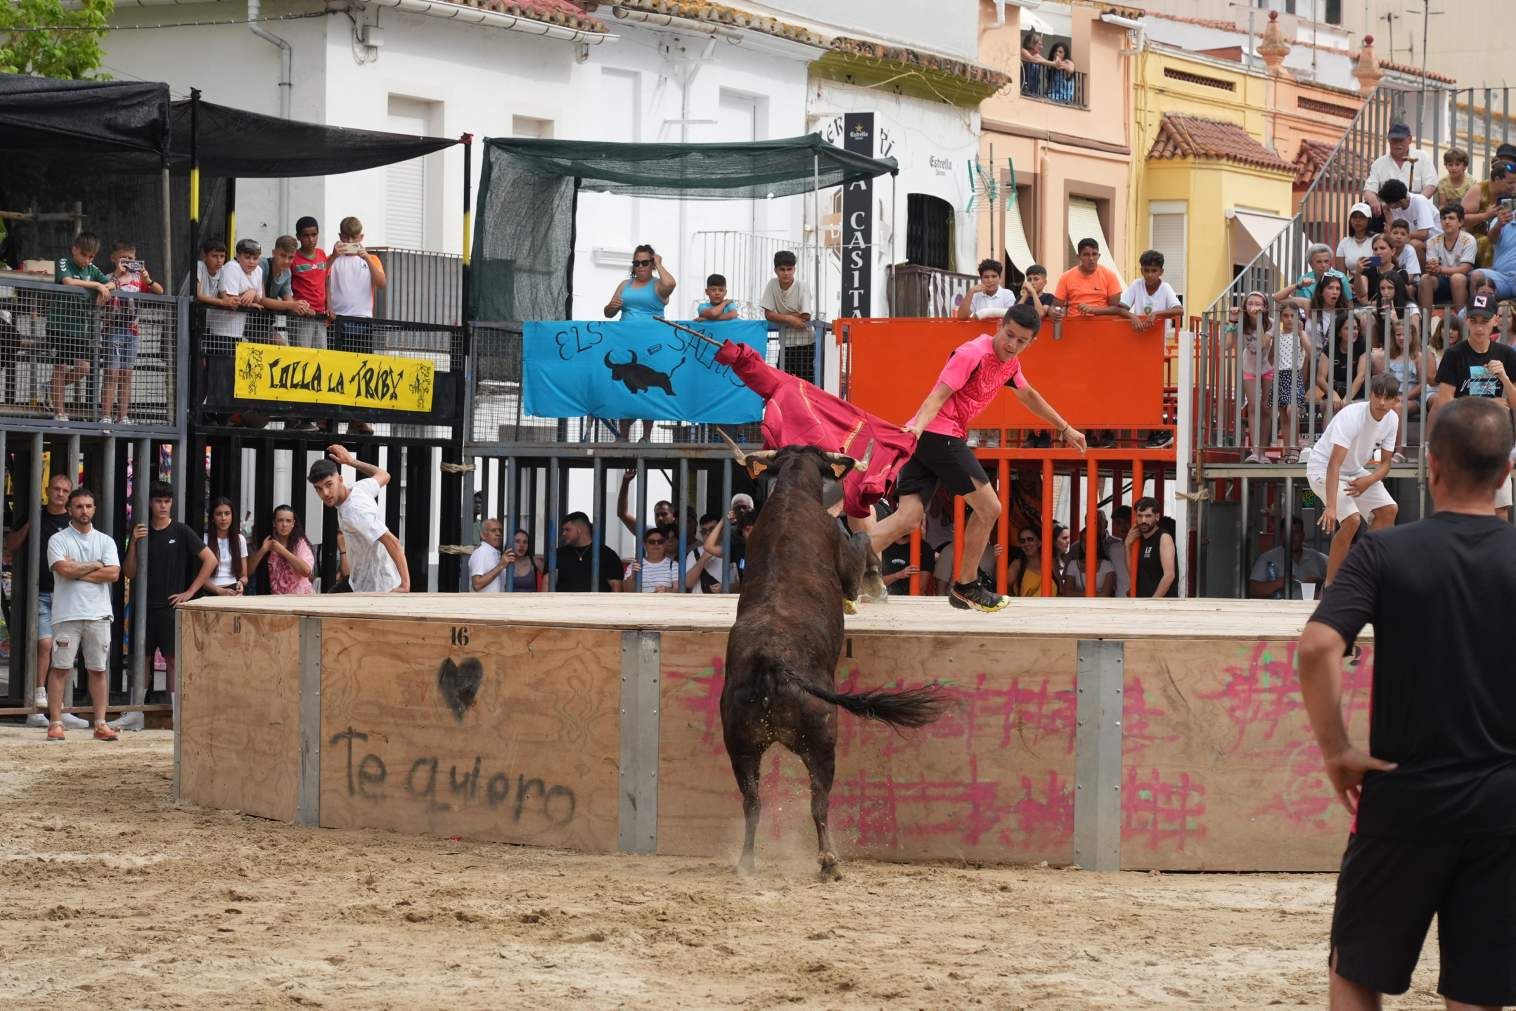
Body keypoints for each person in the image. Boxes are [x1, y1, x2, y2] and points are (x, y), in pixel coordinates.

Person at [1297, 395, 1516, 1011]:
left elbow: (1316, 649)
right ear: (1505, 474)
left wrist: (1337, 750)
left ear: (1432, 468)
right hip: (1502, 801)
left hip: (1403, 796)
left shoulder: (1384, 552)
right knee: (1478, 989)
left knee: (1355, 970)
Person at [862, 302, 1088, 612]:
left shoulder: (1010, 363)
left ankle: (843, 564)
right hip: (937, 434)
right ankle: (966, 585)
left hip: (929, 438)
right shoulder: (973, 353)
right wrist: (916, 429)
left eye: (1021, 341)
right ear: (999, 326)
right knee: (990, 507)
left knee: (908, 518)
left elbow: (1029, 395)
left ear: (1030, 342)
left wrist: (1066, 428)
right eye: (1009, 335)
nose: (1012, 345)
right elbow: (937, 395)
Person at [124, 482, 218, 704]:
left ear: (172, 503)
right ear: (150, 503)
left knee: (173, 659)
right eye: (158, 501)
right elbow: (129, 572)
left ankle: (175, 712)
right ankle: (136, 710)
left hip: (170, 605)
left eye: (167, 501)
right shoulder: (141, 530)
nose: (163, 506)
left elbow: (210, 560)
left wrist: (190, 592)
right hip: (144, 605)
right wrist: (134, 543)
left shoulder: (181, 530)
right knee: (141, 659)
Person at [1308, 373, 1402, 585]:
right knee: (1351, 521)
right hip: (1322, 469)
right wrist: (1331, 507)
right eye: (1377, 396)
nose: (1381, 402)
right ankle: (1330, 589)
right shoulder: (1352, 415)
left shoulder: (1393, 419)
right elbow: (1334, 464)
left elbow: (1386, 463)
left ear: (1396, 400)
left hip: (1354, 470)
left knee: (1389, 510)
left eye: (1387, 398)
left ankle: (1362, 570)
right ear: (1370, 394)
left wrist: (1368, 481)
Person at [43, 487, 120, 742]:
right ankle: (55, 722)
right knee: (61, 667)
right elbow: (63, 570)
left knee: (97, 669)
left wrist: (78, 570)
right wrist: (95, 565)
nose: (84, 511)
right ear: (70, 509)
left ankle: (100, 723)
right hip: (67, 614)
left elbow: (114, 574)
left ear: (94, 509)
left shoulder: (105, 541)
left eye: (88, 506)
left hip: (98, 615)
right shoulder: (58, 539)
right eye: (78, 506)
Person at [1433, 293, 1516, 519]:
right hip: (1462, 440)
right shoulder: (1454, 355)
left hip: (1496, 441)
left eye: (1485, 321)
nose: (1479, 327)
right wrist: (1488, 404)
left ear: (1496, 321)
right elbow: (1444, 402)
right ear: (1467, 321)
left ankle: (1501, 555)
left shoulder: (1507, 355)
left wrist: (1505, 379)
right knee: (1461, 507)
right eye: (1474, 321)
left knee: (1499, 508)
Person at [5, 473, 74, 708]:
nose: (60, 494)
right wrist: (29, 526)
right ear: (47, 490)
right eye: (56, 489)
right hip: (41, 591)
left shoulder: (74, 520)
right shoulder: (35, 515)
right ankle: (39, 692)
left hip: (68, 594)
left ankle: (60, 703)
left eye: (65, 491)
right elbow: (12, 545)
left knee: (64, 646)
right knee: (44, 644)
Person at [307, 444, 410, 592]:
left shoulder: (355, 511)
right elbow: (384, 475)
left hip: (375, 584)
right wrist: (350, 461)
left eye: (329, 485)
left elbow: (392, 541)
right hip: (358, 580)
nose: (325, 493)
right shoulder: (358, 488)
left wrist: (405, 585)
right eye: (319, 488)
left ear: (340, 480)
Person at [49, 231, 113, 422]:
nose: (87, 260)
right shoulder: (63, 262)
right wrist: (96, 286)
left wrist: (104, 287)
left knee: (84, 368)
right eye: (84, 255)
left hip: (79, 328)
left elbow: (111, 283)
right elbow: (68, 281)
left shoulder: (92, 269)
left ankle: (50, 387)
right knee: (60, 366)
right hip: (58, 325)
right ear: (74, 249)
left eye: (91, 256)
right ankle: (59, 412)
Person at [100, 239, 163, 424]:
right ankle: (106, 415)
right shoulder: (108, 277)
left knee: (126, 374)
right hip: (112, 330)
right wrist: (116, 278)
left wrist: (147, 279)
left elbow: (159, 291)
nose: (127, 262)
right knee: (111, 373)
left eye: (131, 259)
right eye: (123, 259)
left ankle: (123, 416)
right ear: (114, 259)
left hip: (132, 331)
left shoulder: (138, 280)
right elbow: (102, 295)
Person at [1227, 291, 1274, 461]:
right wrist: (1232, 321)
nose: (1254, 307)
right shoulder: (1242, 323)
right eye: (1250, 304)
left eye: (1258, 304)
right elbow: (1226, 345)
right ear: (1245, 307)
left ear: (1265, 307)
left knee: (1266, 408)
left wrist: (1260, 320)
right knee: (1253, 406)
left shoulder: (1271, 324)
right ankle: (1255, 451)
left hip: (1268, 367)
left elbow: (1263, 343)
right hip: (1249, 366)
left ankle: (1263, 451)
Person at [1362, 121, 1439, 217]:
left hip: (1418, 214)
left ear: (1410, 139)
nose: (1398, 144)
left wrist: (1413, 204)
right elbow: (1369, 190)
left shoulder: (1422, 157)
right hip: (1390, 216)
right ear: (1389, 140)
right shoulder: (1379, 164)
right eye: (1394, 140)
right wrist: (1373, 200)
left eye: (1401, 140)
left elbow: (1431, 186)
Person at [760, 250, 815, 381]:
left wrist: (779, 316)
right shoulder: (772, 284)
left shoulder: (802, 285)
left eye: (789, 269)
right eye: (782, 269)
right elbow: (768, 314)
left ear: (794, 269)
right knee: (783, 381)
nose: (786, 273)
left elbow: (805, 316)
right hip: (785, 343)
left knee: (806, 382)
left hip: (806, 343)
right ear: (775, 270)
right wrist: (790, 318)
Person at [1247, 517, 1329, 599]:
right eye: (1288, 532)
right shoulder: (1267, 558)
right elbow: (1253, 589)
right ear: (1281, 535)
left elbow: (1335, 580)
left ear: (1303, 535)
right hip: (1280, 609)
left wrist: (1319, 582)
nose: (1292, 536)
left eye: (1296, 532)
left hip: (1313, 609)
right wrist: (1277, 584)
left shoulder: (1317, 557)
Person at [247, 504, 315, 596]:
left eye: (288, 521)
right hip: (278, 600)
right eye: (280, 520)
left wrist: (282, 550)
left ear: (293, 524)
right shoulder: (269, 542)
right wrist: (263, 549)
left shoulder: (300, 543)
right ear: (274, 523)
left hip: (302, 597)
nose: (284, 524)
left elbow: (306, 571)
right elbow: (248, 571)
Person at [260, 234, 316, 342]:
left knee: (280, 345)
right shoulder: (263, 264)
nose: (286, 261)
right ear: (273, 253)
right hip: (244, 318)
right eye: (283, 255)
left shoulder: (287, 272)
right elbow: (262, 299)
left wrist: (303, 308)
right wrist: (293, 304)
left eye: (290, 257)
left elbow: (288, 299)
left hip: (263, 322)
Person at [1461, 161, 1513, 266]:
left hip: (1504, 234)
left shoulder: (1510, 192)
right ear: (1497, 179)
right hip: (1476, 235)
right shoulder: (1478, 190)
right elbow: (1461, 220)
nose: (1513, 186)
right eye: (1510, 183)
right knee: (1487, 242)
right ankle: (1488, 278)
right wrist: (1485, 215)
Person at [1053, 238, 1123, 317]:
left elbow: (1115, 308)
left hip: (1102, 324)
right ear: (1078, 257)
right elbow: (1056, 306)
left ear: (1099, 256)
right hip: (1074, 324)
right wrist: (1052, 311)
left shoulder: (1109, 275)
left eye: (1094, 254)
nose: (1091, 259)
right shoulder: (1066, 277)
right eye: (1086, 255)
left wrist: (1093, 309)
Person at [604, 243, 675, 321]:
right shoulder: (624, 284)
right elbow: (608, 314)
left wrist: (658, 264)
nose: (640, 266)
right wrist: (611, 306)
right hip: (625, 331)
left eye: (645, 263)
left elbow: (670, 284)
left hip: (652, 331)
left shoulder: (658, 285)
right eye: (637, 263)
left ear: (652, 264)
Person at [554, 512, 622, 592]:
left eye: (567, 529)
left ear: (580, 530)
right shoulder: (557, 554)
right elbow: (547, 583)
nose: (564, 533)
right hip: (563, 604)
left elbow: (616, 587)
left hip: (598, 604)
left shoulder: (608, 555)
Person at [1377, 179, 1439, 264]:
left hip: (1435, 242)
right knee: (1383, 244)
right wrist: (1386, 212)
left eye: (1389, 203)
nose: (1387, 205)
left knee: (1413, 244)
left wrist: (1401, 237)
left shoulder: (1420, 201)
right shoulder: (1393, 205)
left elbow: (1424, 234)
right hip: (1409, 240)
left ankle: (1419, 275)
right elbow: (1392, 231)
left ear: (1400, 201)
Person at [290, 216, 329, 350]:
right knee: (302, 357)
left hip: (320, 316)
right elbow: (286, 288)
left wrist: (329, 306)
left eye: (314, 235)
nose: (311, 239)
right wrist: (297, 306)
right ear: (298, 237)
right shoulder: (292, 258)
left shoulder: (322, 254)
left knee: (320, 356)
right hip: (301, 317)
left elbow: (326, 282)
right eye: (306, 235)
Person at [1126, 496, 1176, 598]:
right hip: (1142, 602)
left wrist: (1153, 602)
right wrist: (1127, 546)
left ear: (1157, 517)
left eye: (1148, 516)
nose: (1143, 520)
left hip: (1160, 605)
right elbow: (1133, 573)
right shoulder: (1138, 539)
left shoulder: (1163, 537)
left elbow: (1169, 575)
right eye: (1140, 516)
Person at [1470, 197, 1516, 301]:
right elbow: (1491, 239)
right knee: (1476, 275)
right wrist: (1499, 225)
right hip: (1500, 277)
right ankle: (1477, 313)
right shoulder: (1500, 220)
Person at [202, 497, 248, 596]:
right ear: (213, 518)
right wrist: (220, 591)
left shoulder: (240, 540)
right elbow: (200, 578)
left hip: (233, 590)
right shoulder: (204, 540)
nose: (223, 518)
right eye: (219, 514)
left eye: (227, 513)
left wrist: (241, 583)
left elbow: (244, 576)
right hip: (211, 592)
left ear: (232, 516)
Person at [1062, 524, 1117, 597]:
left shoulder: (1107, 565)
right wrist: (1096, 594)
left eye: (1090, 540)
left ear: (1097, 543)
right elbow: (1067, 592)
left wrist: (1078, 593)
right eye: (1083, 540)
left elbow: (1105, 594)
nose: (1086, 544)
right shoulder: (1073, 564)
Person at [1336, 203, 1377, 300]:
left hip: (1374, 284)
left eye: (1362, 217)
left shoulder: (1376, 239)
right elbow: (1341, 274)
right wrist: (1347, 285)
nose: (1357, 221)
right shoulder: (1343, 243)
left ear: (1369, 220)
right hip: (1351, 286)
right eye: (1354, 217)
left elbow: (1379, 265)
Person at [623, 526, 679, 592]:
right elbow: (627, 591)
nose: (656, 545)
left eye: (660, 541)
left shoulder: (673, 565)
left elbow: (678, 590)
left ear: (664, 544)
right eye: (652, 542)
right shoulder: (635, 565)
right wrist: (633, 576)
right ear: (644, 545)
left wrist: (666, 590)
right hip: (641, 602)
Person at [684, 513, 726, 593]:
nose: (708, 534)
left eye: (712, 529)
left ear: (721, 530)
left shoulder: (731, 551)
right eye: (704, 531)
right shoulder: (694, 553)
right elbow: (687, 583)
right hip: (700, 603)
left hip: (726, 603)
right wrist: (703, 558)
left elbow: (739, 582)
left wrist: (726, 587)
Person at [468, 518, 510, 592]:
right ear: (483, 535)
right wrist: (501, 566)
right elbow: (477, 585)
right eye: (493, 530)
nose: (498, 533)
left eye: (500, 531)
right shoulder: (481, 552)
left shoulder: (495, 554)